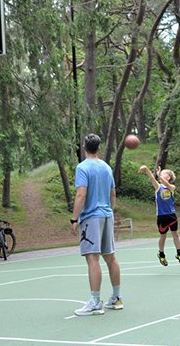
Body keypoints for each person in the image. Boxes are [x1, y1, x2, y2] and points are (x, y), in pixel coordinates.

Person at [70, 134, 123, 316]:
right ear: (98, 147)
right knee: (110, 257)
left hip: (91, 217)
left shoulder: (82, 167)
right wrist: (109, 212)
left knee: (92, 259)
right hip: (107, 215)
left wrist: (74, 218)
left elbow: (81, 194)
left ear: (84, 146)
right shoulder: (106, 167)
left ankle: (95, 302)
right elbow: (113, 194)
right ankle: (116, 298)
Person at [138, 165, 180, 266]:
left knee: (175, 234)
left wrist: (159, 175)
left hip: (172, 215)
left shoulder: (172, 188)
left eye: (164, 173)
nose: (161, 175)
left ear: (169, 177)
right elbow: (151, 177)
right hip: (161, 216)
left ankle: (179, 254)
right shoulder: (158, 187)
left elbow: (167, 184)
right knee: (163, 236)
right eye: (161, 173)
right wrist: (146, 169)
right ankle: (161, 254)